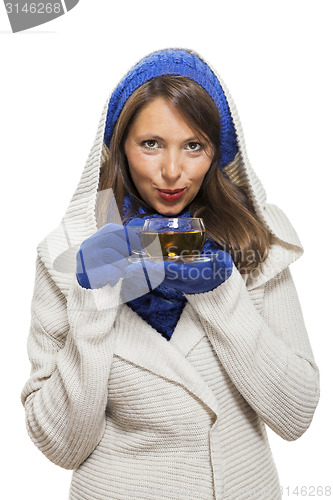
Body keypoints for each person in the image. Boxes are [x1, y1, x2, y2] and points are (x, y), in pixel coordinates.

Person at [21, 48, 320, 500]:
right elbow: (60, 446)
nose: (172, 172)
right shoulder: (64, 257)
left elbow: (295, 415)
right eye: (151, 144)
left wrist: (223, 295)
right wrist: (93, 299)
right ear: (121, 146)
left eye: (194, 146)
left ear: (217, 152)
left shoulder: (256, 242)